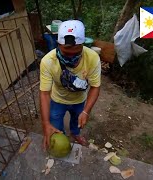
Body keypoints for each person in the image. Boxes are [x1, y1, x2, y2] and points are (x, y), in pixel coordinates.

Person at [39, 20, 101, 149]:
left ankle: (75, 134)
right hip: (57, 100)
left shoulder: (92, 58)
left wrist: (86, 111)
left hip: (79, 100)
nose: (71, 57)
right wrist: (45, 123)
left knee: (77, 121)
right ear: (58, 44)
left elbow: (95, 86)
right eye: (67, 53)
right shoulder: (48, 61)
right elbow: (44, 94)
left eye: (77, 53)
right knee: (55, 128)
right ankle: (60, 136)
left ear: (83, 44)